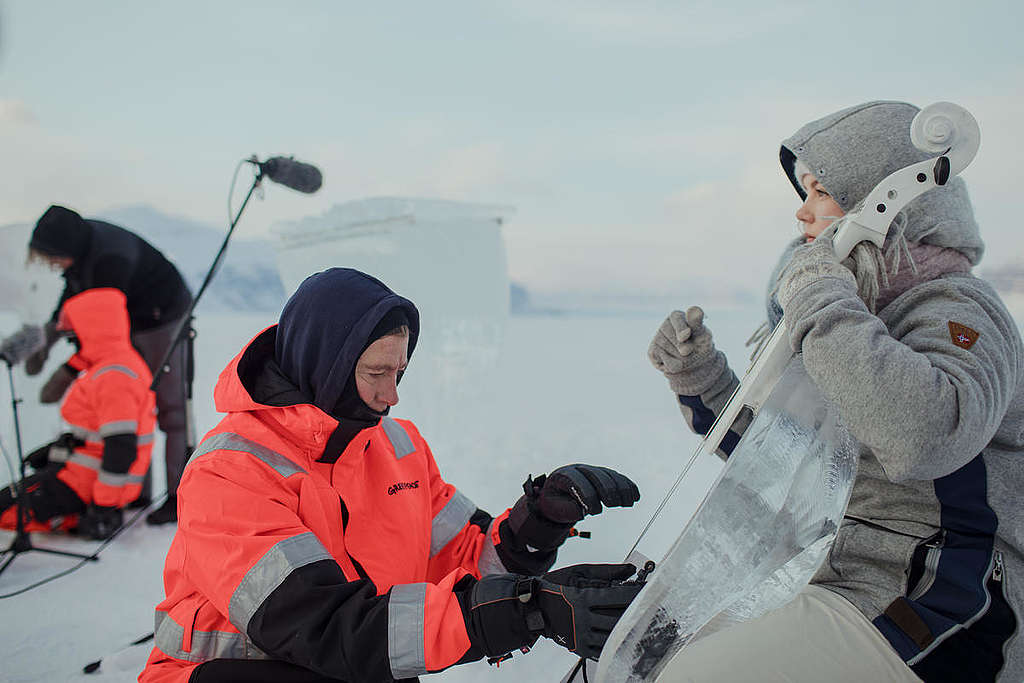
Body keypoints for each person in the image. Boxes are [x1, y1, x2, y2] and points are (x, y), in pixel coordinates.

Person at [648, 101, 1022, 682]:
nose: (802, 212)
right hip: (841, 575)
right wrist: (705, 382)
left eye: (822, 191)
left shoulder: (957, 308)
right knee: (654, 654)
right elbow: (791, 452)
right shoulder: (857, 314)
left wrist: (822, 301)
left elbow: (923, 438)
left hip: (948, 600)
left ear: (887, 200)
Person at [140, 267, 644, 683]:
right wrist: (527, 612)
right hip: (216, 674)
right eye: (376, 373)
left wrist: (537, 524)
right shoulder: (231, 470)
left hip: (347, 665)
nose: (392, 395)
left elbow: (469, 560)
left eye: (398, 373)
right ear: (326, 363)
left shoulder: (397, 447)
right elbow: (324, 625)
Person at [26, 205, 193, 525]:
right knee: (129, 409)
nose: (52, 266)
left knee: (170, 409)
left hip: (163, 318)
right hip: (130, 320)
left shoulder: (109, 260)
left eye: (53, 259)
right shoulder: (79, 246)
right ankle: (136, 492)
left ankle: (179, 497)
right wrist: (45, 342)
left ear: (66, 248)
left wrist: (69, 367)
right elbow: (72, 298)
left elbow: (96, 318)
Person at [0, 288, 156, 540]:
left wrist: (102, 508)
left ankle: (73, 518)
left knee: (6, 513)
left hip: (90, 483)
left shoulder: (114, 376)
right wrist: (53, 451)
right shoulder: (110, 364)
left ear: (91, 333)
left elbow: (121, 447)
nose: (71, 343)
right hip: (80, 473)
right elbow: (94, 432)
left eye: (74, 337)